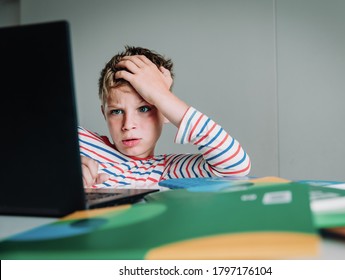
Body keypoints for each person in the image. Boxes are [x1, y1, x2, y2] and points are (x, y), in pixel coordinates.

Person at [79, 46, 251, 188]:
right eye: (116, 111)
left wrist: (162, 95)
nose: (128, 125)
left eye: (144, 108)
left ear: (166, 113)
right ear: (104, 114)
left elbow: (235, 167)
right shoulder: (79, 139)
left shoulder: (165, 170)